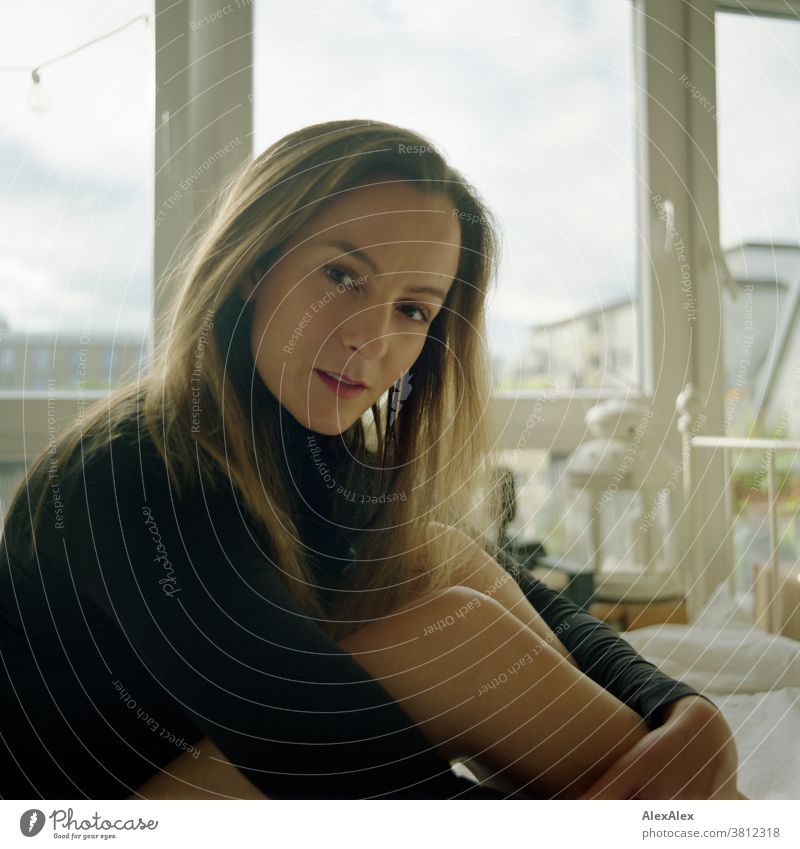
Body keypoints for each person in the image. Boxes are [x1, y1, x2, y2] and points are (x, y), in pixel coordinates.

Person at [0, 119, 745, 801]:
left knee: (449, 564)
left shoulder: (314, 453)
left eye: (414, 309)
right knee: (454, 636)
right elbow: (353, 774)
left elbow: (530, 599)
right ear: (253, 263)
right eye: (342, 276)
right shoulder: (133, 475)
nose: (372, 338)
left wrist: (680, 710)